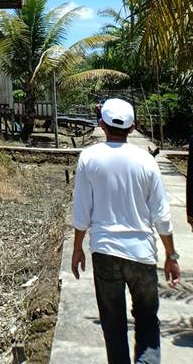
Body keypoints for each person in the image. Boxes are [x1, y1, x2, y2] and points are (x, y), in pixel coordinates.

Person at [71, 98, 180, 364]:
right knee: (146, 320)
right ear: (132, 128)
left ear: (102, 125)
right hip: (141, 252)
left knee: (113, 325)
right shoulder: (146, 161)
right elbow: (161, 215)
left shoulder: (89, 157)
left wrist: (77, 249)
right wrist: (171, 255)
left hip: (105, 252)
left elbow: (82, 211)